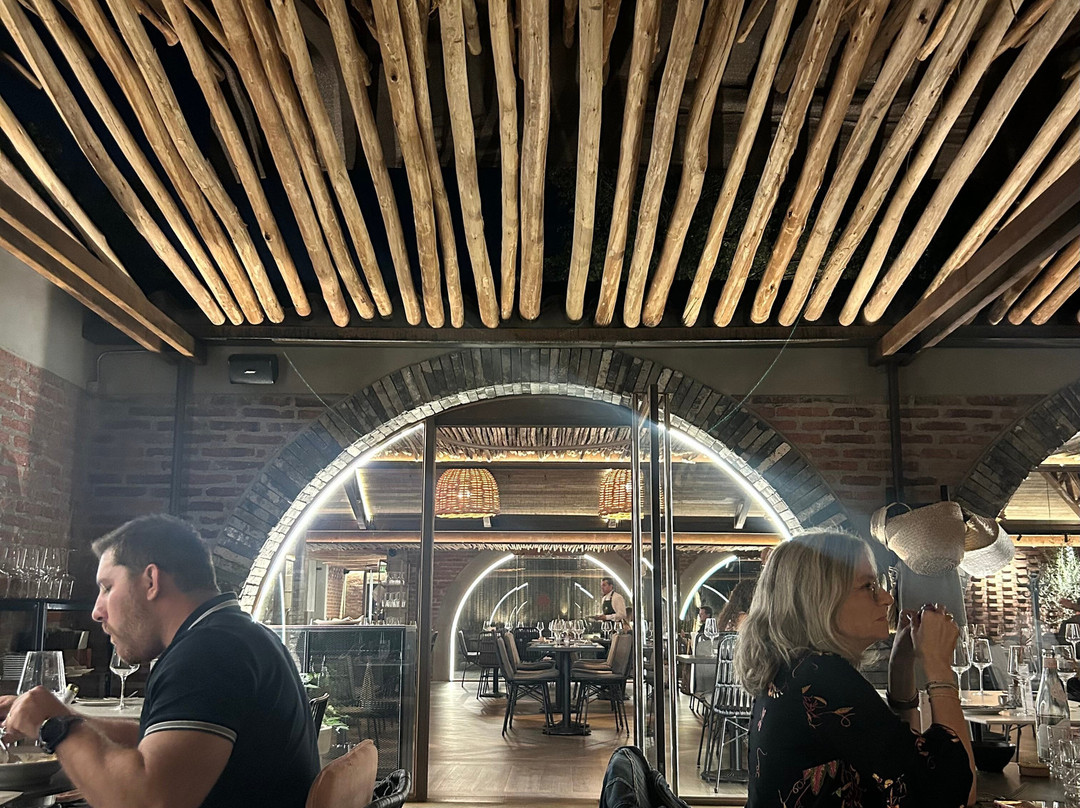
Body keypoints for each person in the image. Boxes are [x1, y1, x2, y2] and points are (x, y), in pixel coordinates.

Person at [0, 515, 319, 808]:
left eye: (107, 587)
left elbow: (149, 802)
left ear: (151, 581)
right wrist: (61, 715)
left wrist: (52, 725)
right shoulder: (237, 635)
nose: (96, 611)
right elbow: (153, 742)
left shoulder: (207, 652)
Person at [734, 529, 975, 808]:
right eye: (868, 586)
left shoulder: (797, 670)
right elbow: (953, 794)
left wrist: (901, 664)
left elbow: (901, 765)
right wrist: (939, 666)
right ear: (820, 599)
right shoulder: (822, 677)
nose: (886, 598)